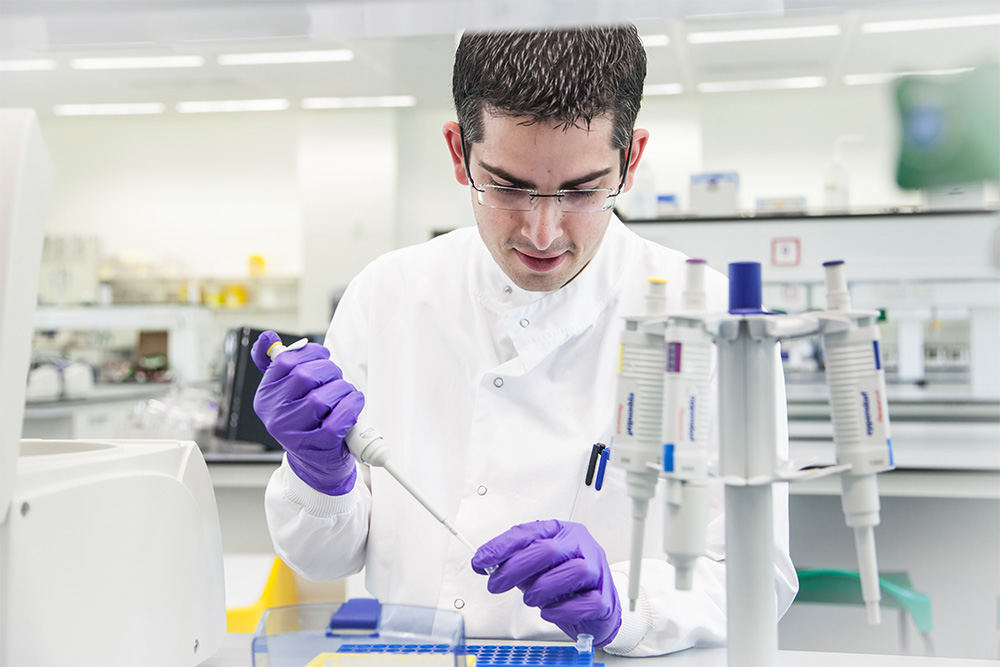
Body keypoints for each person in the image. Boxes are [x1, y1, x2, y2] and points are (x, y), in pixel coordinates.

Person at [252, 25, 797, 656]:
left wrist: (629, 606)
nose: (543, 233)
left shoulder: (713, 319)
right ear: (459, 152)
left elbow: (759, 576)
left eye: (582, 191)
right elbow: (324, 558)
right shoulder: (388, 293)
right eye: (508, 186)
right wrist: (319, 476)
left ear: (631, 160)